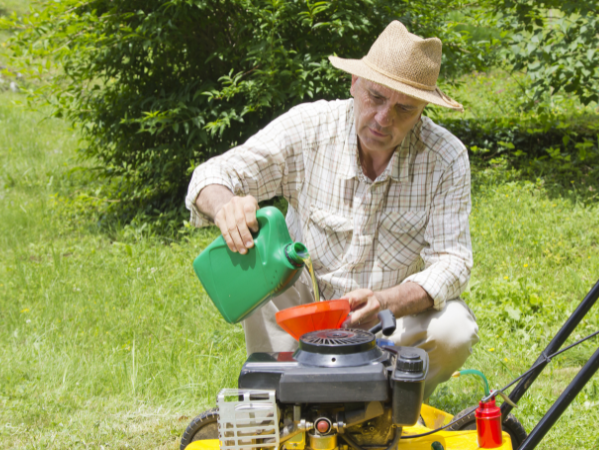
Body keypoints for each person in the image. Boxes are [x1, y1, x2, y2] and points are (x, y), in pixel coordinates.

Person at [185, 21, 478, 398]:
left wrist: (386, 301)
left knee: (454, 329)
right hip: (302, 310)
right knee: (263, 258)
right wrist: (226, 206)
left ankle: (390, 405)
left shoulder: (446, 157)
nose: (383, 118)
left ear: (423, 109)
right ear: (354, 83)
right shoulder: (310, 128)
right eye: (375, 97)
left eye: (404, 108)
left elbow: (453, 261)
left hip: (387, 320)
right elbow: (211, 174)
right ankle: (281, 399)